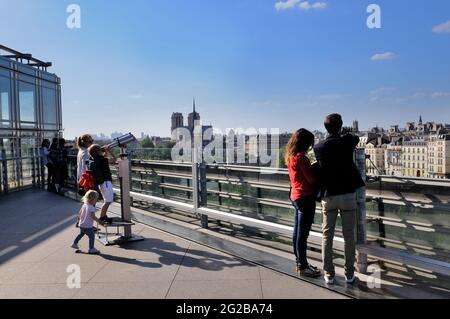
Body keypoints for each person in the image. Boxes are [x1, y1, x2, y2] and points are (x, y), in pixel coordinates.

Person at [313, 114, 365, 285]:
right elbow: (356, 137)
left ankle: (329, 274)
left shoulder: (318, 147)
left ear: (325, 127)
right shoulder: (347, 141)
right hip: (348, 195)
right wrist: (345, 135)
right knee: (349, 236)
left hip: (328, 196)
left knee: (327, 236)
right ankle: (349, 274)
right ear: (341, 126)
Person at [285, 129, 321, 278]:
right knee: (302, 235)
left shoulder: (291, 156)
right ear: (306, 143)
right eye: (310, 143)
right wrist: (316, 166)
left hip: (295, 196)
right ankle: (303, 266)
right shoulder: (302, 158)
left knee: (297, 233)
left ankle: (300, 262)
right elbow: (311, 179)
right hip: (305, 197)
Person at [88, 144, 116, 224]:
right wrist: (109, 150)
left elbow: (104, 159)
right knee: (108, 201)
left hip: (101, 183)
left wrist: (105, 152)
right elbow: (114, 159)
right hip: (106, 182)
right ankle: (102, 217)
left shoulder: (94, 159)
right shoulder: (103, 160)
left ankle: (104, 216)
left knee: (106, 200)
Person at [71, 190, 105, 254]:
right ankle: (91, 248)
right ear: (92, 199)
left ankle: (74, 243)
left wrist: (78, 222)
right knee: (92, 236)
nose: (96, 201)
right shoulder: (91, 207)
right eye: (96, 199)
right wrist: (99, 222)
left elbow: (79, 213)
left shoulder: (85, 205)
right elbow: (93, 216)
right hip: (87, 226)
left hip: (82, 224)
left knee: (81, 234)